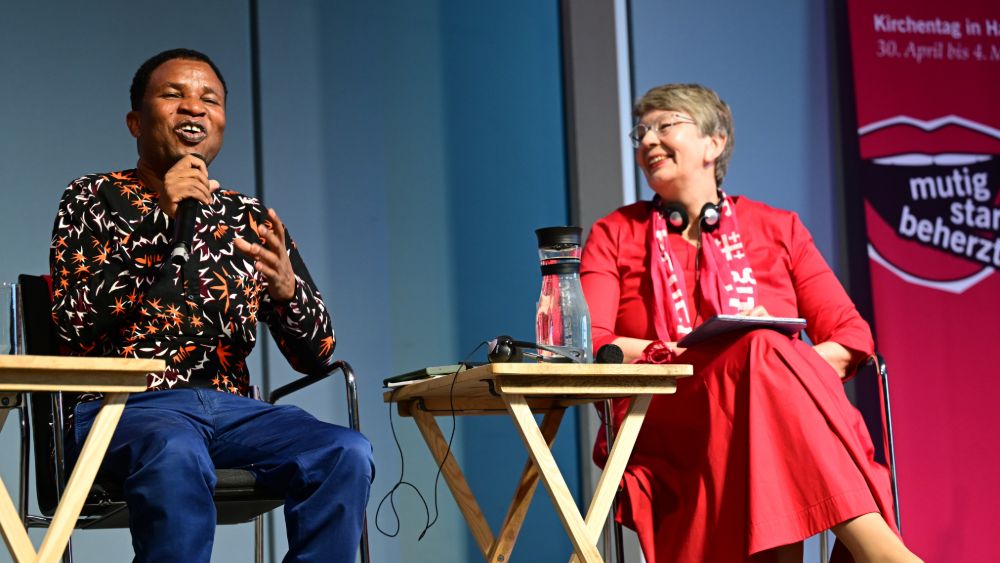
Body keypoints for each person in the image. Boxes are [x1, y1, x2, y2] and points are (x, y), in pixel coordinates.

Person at [49, 48, 373, 563]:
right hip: (124, 408)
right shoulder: (93, 198)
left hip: (232, 410)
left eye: (210, 100)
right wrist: (163, 220)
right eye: (173, 95)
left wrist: (289, 293)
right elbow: (75, 322)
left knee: (343, 451)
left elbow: (317, 356)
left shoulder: (247, 216)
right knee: (176, 451)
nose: (194, 109)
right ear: (136, 121)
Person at [581, 83, 921, 562]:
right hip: (664, 412)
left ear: (713, 143)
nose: (647, 141)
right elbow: (592, 342)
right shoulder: (615, 233)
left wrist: (778, 365)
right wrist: (691, 354)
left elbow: (851, 338)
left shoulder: (777, 228)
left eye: (665, 126)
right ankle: (884, 553)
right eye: (640, 132)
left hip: (771, 415)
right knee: (760, 349)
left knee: (763, 355)